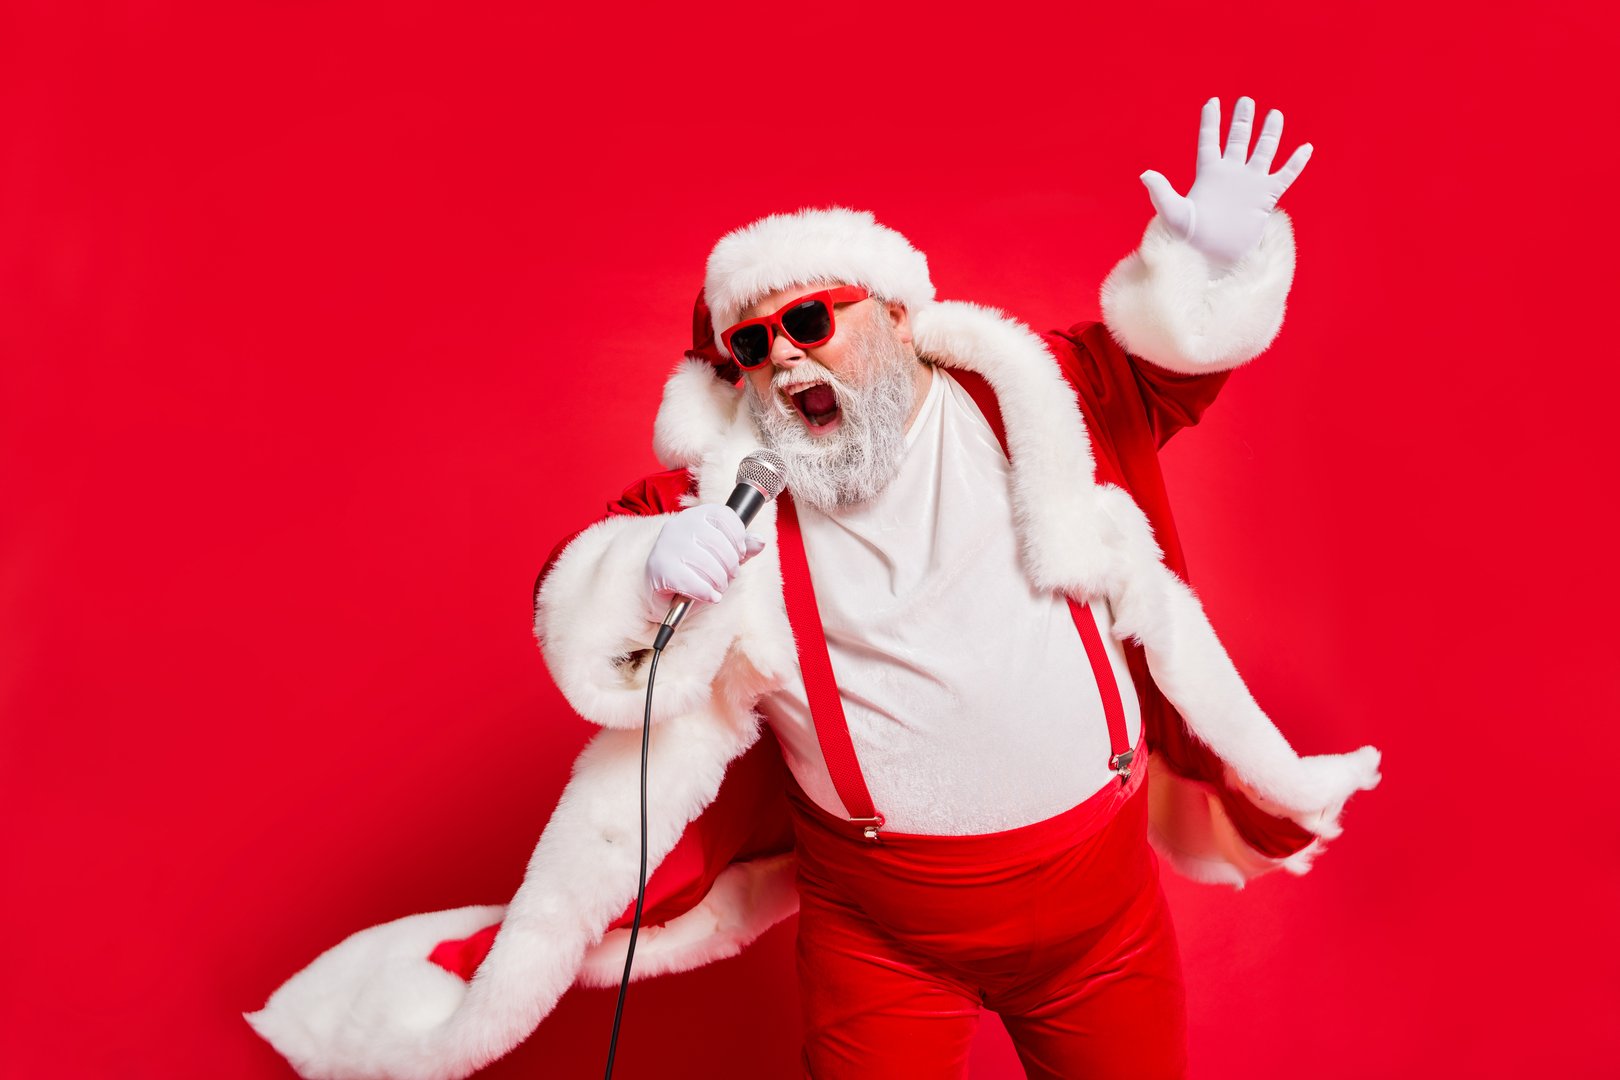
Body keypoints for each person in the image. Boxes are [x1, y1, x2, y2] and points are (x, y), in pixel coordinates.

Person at [246, 96, 1381, 1080]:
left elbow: (1168, 370)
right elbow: (578, 601)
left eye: (806, 321)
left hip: (1101, 913)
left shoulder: (1037, 401)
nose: (782, 358)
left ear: (895, 315)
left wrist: (1211, 270)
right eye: (750, 345)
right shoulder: (719, 502)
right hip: (886, 934)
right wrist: (643, 573)